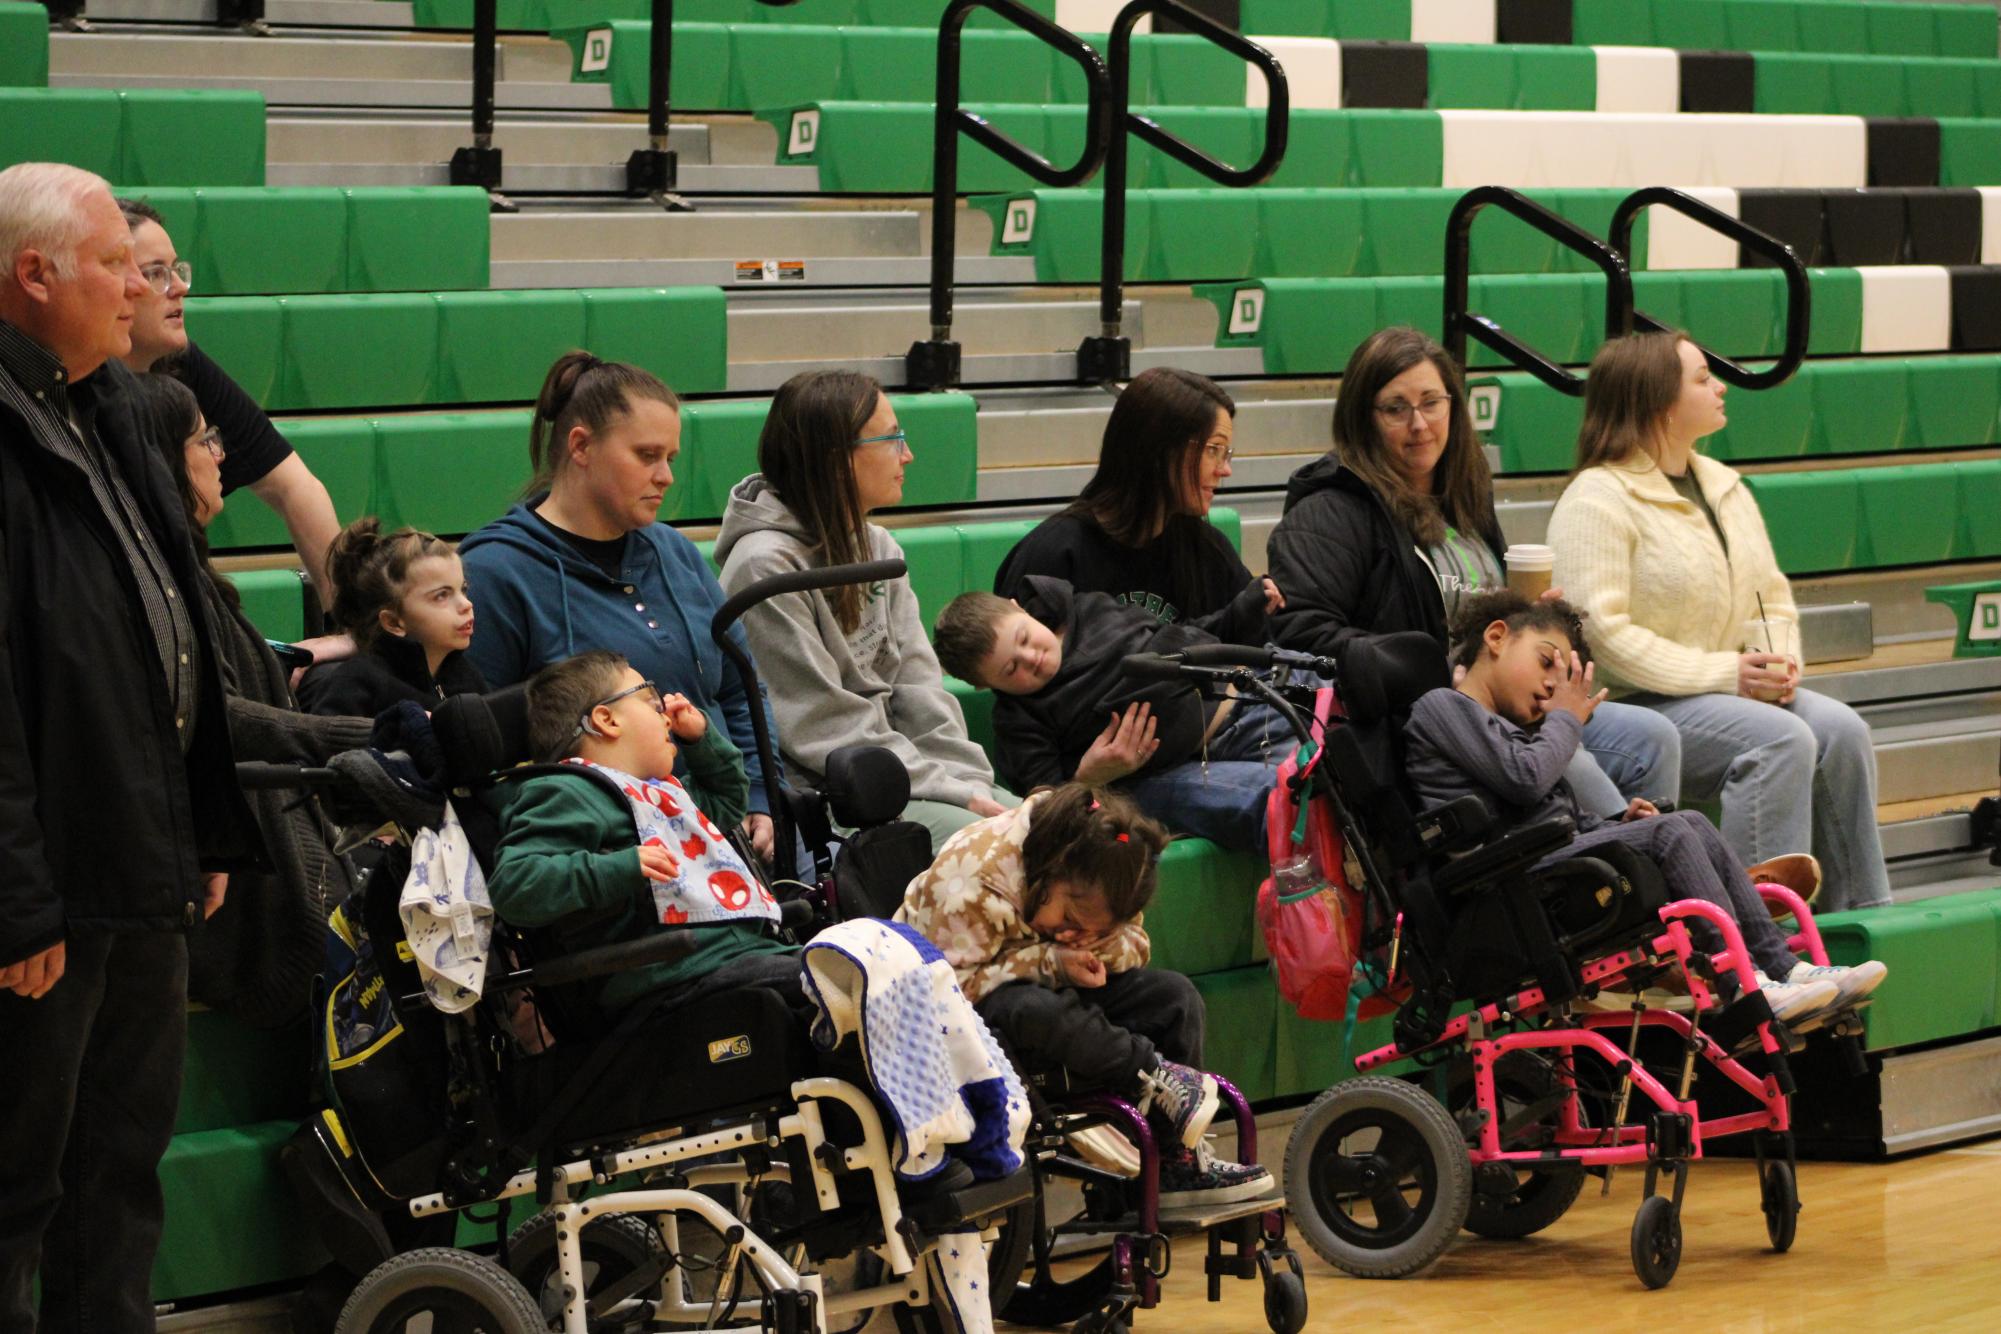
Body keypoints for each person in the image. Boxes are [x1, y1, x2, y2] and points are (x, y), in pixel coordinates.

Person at [0, 161, 258, 1329]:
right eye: (118, 262)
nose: (142, 285)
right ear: (34, 273)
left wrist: (198, 821)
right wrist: (18, 902)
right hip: (47, 895)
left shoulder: (112, 405)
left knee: (120, 1176)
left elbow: (178, 628)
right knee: (16, 1189)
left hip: (137, 864)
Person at [1404, 591, 1886, 1019]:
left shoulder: (1522, 729)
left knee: (1685, 823)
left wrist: (1616, 823)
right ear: (1495, 637)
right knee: (1676, 831)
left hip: (1539, 860)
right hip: (1505, 883)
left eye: (1565, 676)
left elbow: (1552, 813)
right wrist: (1568, 721)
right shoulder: (1442, 707)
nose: (1554, 685)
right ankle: (1740, 981)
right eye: (1547, 661)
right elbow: (1525, 781)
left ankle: (1784, 967)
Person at [1265, 325, 1682, 822]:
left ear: (1452, 407)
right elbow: (1298, 632)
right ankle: (1637, 863)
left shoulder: (1463, 496)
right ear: (1363, 418)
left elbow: (1479, 618)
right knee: (1569, 757)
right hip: (1426, 721)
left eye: (1431, 403)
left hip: (1504, 701)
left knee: (1655, 738)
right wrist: (1415, 667)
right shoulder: (1330, 511)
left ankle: (1663, 877)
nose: (1419, 424)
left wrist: (1525, 617)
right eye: (1396, 408)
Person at [1546, 332, 1892, 911]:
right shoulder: (1597, 498)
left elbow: (1772, 600)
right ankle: (1757, 940)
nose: (1720, 385)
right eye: (1703, 377)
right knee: (1779, 739)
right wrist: (1728, 673)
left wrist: (1777, 663)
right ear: (1659, 401)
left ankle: (1863, 921)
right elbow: (1600, 633)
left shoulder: (1723, 486)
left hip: (1724, 689)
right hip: (1634, 703)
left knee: (1843, 731)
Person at [458, 352, 782, 863]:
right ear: (581, 446)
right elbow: (484, 757)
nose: (666, 477)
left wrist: (762, 796)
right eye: (647, 455)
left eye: (670, 458)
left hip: (731, 822)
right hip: (620, 860)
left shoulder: (673, 551)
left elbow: (740, 690)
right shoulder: (496, 573)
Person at [896, 784, 1271, 1206]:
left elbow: (1136, 946)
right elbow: (950, 992)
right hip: (958, 1020)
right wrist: (1049, 961)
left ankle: (1173, 1161)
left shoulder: (1111, 865)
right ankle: (1153, 1074)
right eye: (1070, 919)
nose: (1075, 934)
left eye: (1096, 929)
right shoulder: (973, 875)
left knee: (1174, 997)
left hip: (1040, 995)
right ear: (1051, 871)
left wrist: (1088, 949)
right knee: (1033, 1007)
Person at [129, 372, 369, 1024]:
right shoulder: (162, 582)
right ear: (162, 462)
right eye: (204, 439)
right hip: (248, 907)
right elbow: (214, 715)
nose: (221, 453)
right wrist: (354, 736)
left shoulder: (186, 571)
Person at [715, 369, 1015, 851]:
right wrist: (954, 793)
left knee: (1055, 836)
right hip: (834, 797)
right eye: (893, 438)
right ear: (838, 460)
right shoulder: (764, 566)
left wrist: (972, 783)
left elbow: (919, 689)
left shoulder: (878, 546)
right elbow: (822, 727)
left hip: (907, 776)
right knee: (999, 851)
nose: (908, 454)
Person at [487, 650, 798, 1013]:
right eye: (651, 702)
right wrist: (622, 867)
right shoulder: (566, 791)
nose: (666, 715)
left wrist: (701, 743)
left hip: (744, 959)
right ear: (607, 719)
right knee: (851, 980)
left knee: (869, 959)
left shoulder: (660, 791)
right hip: (675, 978)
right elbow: (515, 885)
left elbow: (724, 802)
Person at [932, 579, 1295, 853]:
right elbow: (1048, 811)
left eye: (1025, 638)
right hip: (1169, 772)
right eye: (1012, 669)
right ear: (984, 685)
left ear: (1019, 608)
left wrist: (1242, 611)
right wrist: (1088, 778)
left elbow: (1189, 638)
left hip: (1251, 697)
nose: (1032, 658)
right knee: (1294, 793)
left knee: (1341, 724)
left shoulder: (1089, 608)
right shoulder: (1020, 722)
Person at [116, 197, 341, 610]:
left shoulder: (180, 361)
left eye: (176, 269)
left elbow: (294, 486)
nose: (180, 287)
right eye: (156, 274)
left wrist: (349, 624)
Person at [993, 366, 1280, 643]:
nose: (1225, 470)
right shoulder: (1055, 553)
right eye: (1213, 450)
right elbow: (1018, 674)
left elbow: (1255, 659)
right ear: (1160, 450)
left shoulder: (1209, 551)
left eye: (1225, 453)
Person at [297, 517, 486, 718]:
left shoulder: (467, 677)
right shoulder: (354, 686)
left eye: (462, 589)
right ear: (394, 622)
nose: (466, 605)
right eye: (441, 596)